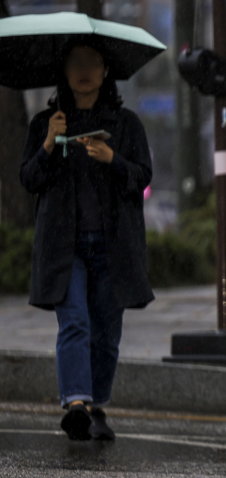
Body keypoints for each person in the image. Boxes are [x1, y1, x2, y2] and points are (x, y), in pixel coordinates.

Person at [19, 39, 154, 442]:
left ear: (104, 72)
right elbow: (29, 180)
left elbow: (142, 177)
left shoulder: (126, 123)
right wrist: (48, 145)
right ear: (64, 71)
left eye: (92, 63)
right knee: (74, 321)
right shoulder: (48, 122)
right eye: (76, 62)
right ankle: (75, 404)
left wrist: (113, 160)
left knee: (106, 331)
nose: (84, 70)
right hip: (65, 246)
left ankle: (96, 406)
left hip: (114, 245)